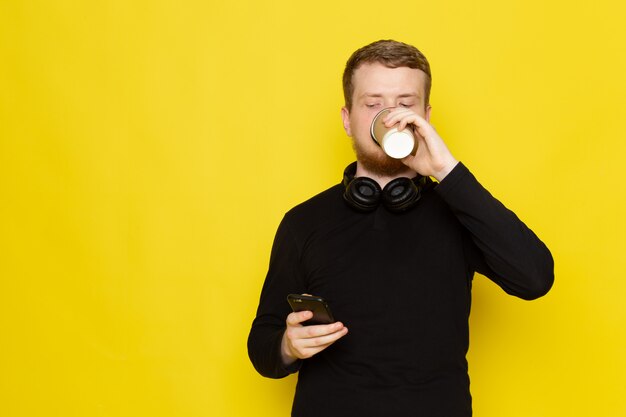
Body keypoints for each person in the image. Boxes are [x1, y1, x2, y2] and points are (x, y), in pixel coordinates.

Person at [247, 39, 554, 417]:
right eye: (373, 104)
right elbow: (262, 346)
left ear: (425, 115)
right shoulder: (304, 221)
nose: (389, 117)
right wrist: (288, 346)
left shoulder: (458, 210)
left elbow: (535, 277)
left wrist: (446, 171)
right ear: (347, 118)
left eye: (405, 105)